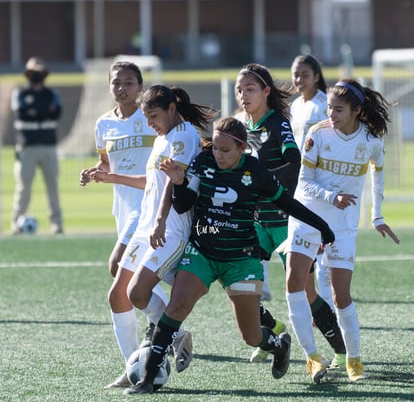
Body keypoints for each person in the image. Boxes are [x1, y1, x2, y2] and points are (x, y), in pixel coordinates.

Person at [124, 117, 335, 395]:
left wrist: (322, 227)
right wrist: (178, 182)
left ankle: (279, 345)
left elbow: (287, 202)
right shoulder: (202, 161)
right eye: (215, 148)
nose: (218, 155)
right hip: (202, 252)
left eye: (225, 151)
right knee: (177, 306)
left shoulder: (256, 171)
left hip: (241, 259)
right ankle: (148, 378)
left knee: (250, 336)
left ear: (242, 148)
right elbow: (185, 202)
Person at [91, 85, 215, 387]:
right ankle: (136, 363)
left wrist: (159, 221)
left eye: (154, 116)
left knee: (137, 294)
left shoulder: (184, 135)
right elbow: (153, 182)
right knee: (117, 294)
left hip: (170, 230)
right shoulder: (162, 139)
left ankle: (174, 335)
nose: (150, 124)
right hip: (146, 228)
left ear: (172, 108)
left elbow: (174, 185)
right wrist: (112, 177)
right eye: (146, 118)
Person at [285, 78, 400, 383]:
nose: (331, 115)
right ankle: (312, 357)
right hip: (307, 214)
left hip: (342, 224)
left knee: (341, 295)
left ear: (357, 111)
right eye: (329, 108)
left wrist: (376, 216)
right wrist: (331, 196)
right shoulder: (317, 134)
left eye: (338, 110)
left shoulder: (371, 142)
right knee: (294, 283)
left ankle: (354, 360)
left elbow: (378, 175)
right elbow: (303, 182)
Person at [234, 62, 346, 367]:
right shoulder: (242, 128)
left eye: (250, 89)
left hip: (286, 222)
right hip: (257, 223)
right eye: (239, 89)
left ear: (266, 91)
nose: (243, 95)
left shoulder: (277, 124)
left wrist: (263, 183)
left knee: (306, 292)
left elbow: (294, 165)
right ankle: (273, 331)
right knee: (241, 284)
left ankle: (340, 350)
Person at [79, 62, 170, 388]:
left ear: (140, 86)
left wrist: (111, 175)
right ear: (109, 86)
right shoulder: (104, 124)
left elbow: (153, 175)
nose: (122, 88)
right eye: (117, 82)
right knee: (128, 281)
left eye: (129, 82)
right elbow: (106, 163)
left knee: (118, 267)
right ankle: (141, 358)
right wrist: (96, 172)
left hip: (146, 209)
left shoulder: (151, 121)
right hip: (124, 210)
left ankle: (166, 330)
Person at [290, 55, 347, 368]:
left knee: (326, 264)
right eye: (296, 75)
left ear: (316, 76)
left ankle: (339, 331)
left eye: (305, 74)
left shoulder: (324, 105)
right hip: (303, 189)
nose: (300, 80)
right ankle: (326, 330)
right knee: (308, 267)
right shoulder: (296, 106)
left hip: (322, 190)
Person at [11, 56, 63, 234]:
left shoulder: (51, 94)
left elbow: (56, 113)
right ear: (27, 74)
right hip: (27, 147)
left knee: (52, 186)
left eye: (39, 73)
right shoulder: (20, 93)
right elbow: (22, 114)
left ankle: (57, 223)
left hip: (48, 146)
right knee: (23, 187)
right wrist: (42, 112)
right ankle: (17, 222)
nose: (36, 76)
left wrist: (36, 112)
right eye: (33, 73)